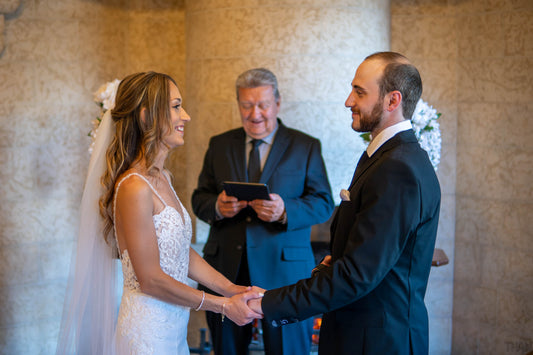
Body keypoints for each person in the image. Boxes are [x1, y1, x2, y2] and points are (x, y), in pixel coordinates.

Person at [248, 52, 441, 355]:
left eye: (359, 92)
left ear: (393, 101)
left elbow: (357, 275)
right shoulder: (386, 157)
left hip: (377, 341)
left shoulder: (397, 168)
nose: (348, 101)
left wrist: (268, 303)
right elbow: (369, 255)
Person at [57, 72, 263, 355]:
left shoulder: (162, 177)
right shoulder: (134, 187)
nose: (186, 116)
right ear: (146, 117)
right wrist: (222, 305)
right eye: (177, 106)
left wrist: (231, 289)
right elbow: (150, 279)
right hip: (146, 333)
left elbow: (180, 252)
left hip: (173, 329)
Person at [191, 68, 334, 355]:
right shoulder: (219, 144)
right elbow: (199, 198)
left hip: (286, 274)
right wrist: (216, 207)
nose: (255, 114)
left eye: (263, 105)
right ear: (238, 105)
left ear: (277, 103)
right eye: (246, 105)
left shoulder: (305, 146)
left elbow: (324, 202)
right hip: (226, 271)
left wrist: (285, 211)